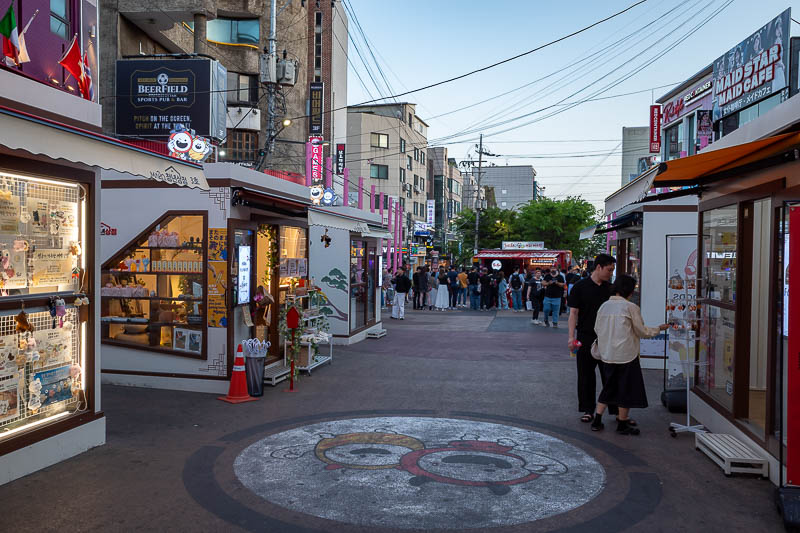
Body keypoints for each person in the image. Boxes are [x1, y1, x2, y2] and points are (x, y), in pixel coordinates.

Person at [590, 274, 669, 435]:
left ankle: (597, 418)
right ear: (630, 291)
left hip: (607, 354)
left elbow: (597, 329)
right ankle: (622, 422)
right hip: (626, 354)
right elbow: (642, 331)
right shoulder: (630, 307)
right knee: (625, 388)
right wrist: (659, 329)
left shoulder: (604, 306)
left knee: (609, 386)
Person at [567, 253, 618, 423]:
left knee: (609, 375)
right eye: (609, 270)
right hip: (585, 337)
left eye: (612, 270)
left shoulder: (611, 289)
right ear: (598, 267)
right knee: (585, 375)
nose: (611, 273)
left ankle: (615, 410)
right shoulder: (579, 287)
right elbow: (573, 313)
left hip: (608, 338)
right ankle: (587, 410)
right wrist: (570, 337)